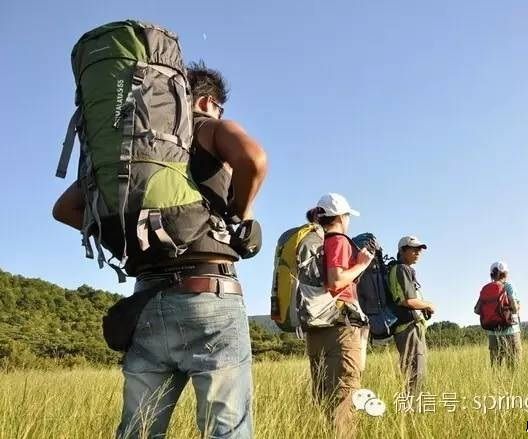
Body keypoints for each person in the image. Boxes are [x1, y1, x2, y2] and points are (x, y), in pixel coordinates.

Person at [53, 61, 267, 438]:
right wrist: (243, 214)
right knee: (226, 430)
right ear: (206, 102)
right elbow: (254, 158)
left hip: (146, 302)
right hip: (209, 295)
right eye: (218, 107)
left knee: (138, 430)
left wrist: (125, 241)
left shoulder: (128, 149)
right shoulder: (206, 126)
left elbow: (65, 209)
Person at [303, 193, 373, 439]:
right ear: (342, 217)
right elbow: (335, 281)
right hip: (340, 328)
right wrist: (361, 264)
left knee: (324, 398)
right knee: (344, 399)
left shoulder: (315, 242)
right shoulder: (338, 240)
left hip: (316, 327)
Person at [388, 236, 435, 395]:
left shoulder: (401, 269)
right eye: (413, 249)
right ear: (402, 250)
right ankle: (414, 406)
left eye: (419, 249)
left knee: (413, 371)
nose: (418, 252)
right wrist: (428, 305)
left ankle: (413, 404)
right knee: (416, 373)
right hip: (408, 327)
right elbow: (407, 301)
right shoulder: (402, 269)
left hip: (407, 327)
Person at [475, 261, 522, 369]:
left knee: (496, 369)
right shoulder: (508, 286)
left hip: (493, 334)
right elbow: (515, 308)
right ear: (504, 273)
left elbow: (477, 310)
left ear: (491, 274)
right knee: (514, 370)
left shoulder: (486, 289)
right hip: (511, 332)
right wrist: (516, 306)